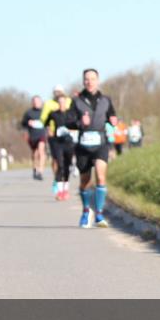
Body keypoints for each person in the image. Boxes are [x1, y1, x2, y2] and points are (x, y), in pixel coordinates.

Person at [66, 68, 117, 228]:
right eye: (87, 79)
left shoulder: (106, 100)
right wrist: (80, 122)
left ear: (98, 81)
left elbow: (112, 116)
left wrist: (113, 121)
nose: (90, 82)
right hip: (83, 145)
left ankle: (99, 214)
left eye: (93, 79)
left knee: (101, 177)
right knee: (85, 182)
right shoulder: (76, 101)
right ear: (83, 81)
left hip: (101, 143)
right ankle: (86, 210)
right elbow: (68, 122)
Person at [41, 85, 75, 200]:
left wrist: (74, 130)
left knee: (67, 165)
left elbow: (77, 124)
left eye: (63, 102)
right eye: (59, 102)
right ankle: (59, 191)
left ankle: (66, 189)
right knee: (59, 164)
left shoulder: (71, 113)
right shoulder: (53, 113)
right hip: (57, 141)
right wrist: (48, 130)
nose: (62, 104)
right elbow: (44, 122)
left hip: (69, 141)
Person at [20, 96, 48, 180]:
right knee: (34, 154)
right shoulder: (28, 113)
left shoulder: (44, 112)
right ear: (32, 103)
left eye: (38, 101)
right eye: (34, 101)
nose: (36, 103)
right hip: (32, 135)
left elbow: (49, 122)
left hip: (42, 134)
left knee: (41, 151)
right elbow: (23, 124)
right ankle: (35, 169)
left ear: (41, 102)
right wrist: (28, 123)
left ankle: (40, 171)